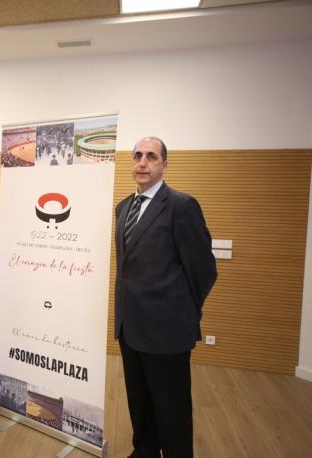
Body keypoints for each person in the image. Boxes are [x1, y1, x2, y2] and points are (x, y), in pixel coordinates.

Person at [114, 137, 217, 458]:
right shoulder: (123, 207)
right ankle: (143, 451)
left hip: (167, 330)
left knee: (171, 409)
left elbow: (203, 270)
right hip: (130, 326)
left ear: (164, 165)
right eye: (137, 156)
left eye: (151, 157)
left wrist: (182, 312)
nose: (142, 162)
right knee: (140, 401)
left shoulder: (181, 206)